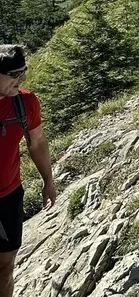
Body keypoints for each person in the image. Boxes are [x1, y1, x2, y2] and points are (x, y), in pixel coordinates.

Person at [0, 45, 54, 297]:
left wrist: (48, 181)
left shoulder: (25, 102)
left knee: (5, 265)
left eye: (24, 72)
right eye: (15, 74)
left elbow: (38, 142)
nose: (21, 79)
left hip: (8, 196)